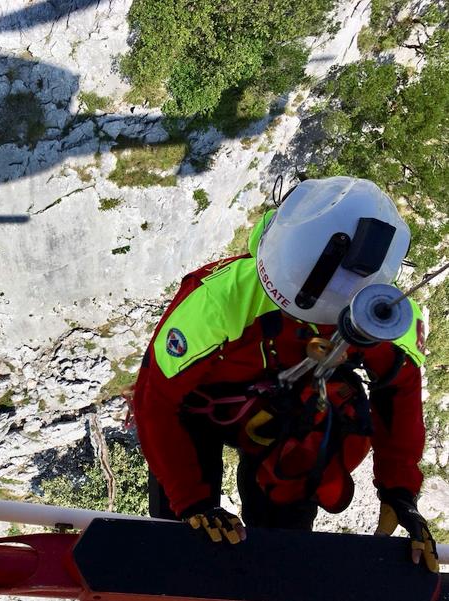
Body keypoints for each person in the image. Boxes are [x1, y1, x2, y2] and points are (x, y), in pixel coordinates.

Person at [132, 176, 438, 572]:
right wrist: (192, 500)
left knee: (282, 538)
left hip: (289, 416)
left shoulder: (381, 316)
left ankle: (276, 568)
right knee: (186, 534)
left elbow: (399, 395)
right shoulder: (219, 299)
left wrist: (400, 492)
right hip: (197, 415)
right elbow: (156, 402)